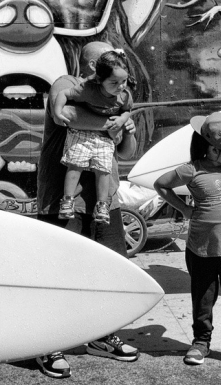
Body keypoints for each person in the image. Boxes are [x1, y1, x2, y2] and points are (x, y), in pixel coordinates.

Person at [35, 41, 140, 378]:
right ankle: (48, 343)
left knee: (108, 270)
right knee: (59, 274)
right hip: (65, 201)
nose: (121, 69)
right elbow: (65, 114)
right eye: (114, 60)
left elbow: (126, 151)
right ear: (96, 66)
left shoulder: (116, 97)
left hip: (105, 202)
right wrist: (114, 120)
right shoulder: (67, 83)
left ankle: (100, 335)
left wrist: (126, 126)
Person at [153, 113, 221, 374]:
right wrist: (184, 209)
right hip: (201, 249)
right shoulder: (192, 169)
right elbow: (161, 185)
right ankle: (201, 342)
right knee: (203, 300)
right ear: (213, 149)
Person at [53, 50, 134, 225]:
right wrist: (57, 112)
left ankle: (102, 205)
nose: (120, 86)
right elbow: (64, 94)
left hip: (104, 140)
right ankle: (67, 200)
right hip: (82, 135)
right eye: (114, 82)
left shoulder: (124, 95)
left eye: (124, 81)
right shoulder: (86, 89)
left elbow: (127, 110)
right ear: (99, 79)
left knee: (103, 170)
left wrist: (122, 120)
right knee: (75, 165)